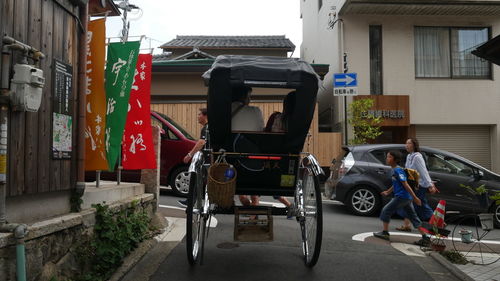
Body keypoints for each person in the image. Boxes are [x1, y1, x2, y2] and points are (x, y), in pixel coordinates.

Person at [373, 150, 431, 246]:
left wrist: (415, 197)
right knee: (413, 217)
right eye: (387, 156)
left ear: (395, 160)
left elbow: (405, 184)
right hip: (405, 198)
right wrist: (388, 191)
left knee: (386, 210)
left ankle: (385, 233)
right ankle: (425, 238)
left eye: (389, 157)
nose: (387, 159)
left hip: (402, 197)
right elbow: (396, 183)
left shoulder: (398, 170)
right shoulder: (395, 169)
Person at [264, 91, 297, 218]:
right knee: (277, 180)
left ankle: (253, 212)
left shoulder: (275, 117)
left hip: (269, 158)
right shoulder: (299, 123)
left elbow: (266, 135)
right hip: (288, 160)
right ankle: (289, 205)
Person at [231, 86, 264, 209]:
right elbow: (261, 132)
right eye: (249, 96)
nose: (250, 99)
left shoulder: (222, 111)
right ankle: (254, 206)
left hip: (227, 158)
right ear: (244, 97)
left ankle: (244, 201)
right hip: (252, 159)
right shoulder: (255, 112)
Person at [395, 138, 438, 232]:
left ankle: (438, 223)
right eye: (406, 143)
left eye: (409, 143)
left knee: (421, 205)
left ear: (414, 145)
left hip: (419, 186)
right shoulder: (409, 156)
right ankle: (407, 225)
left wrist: (430, 185)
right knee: (408, 203)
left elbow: (423, 171)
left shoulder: (417, 157)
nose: (406, 145)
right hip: (412, 185)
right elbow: (407, 170)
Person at [178, 108, 208, 208]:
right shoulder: (209, 127)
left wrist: (189, 155)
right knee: (198, 180)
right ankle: (191, 201)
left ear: (205, 116)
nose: (198, 116)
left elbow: (201, 143)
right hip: (210, 157)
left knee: (196, 178)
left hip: (207, 158)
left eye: (199, 114)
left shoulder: (206, 128)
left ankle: (191, 202)